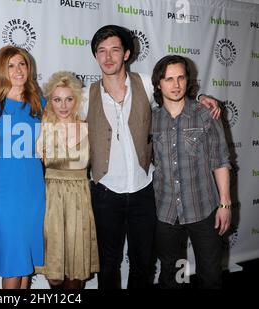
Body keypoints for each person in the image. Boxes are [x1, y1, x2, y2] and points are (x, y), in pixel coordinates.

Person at [81, 24, 220, 289]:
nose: (108, 57)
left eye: (115, 50)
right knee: (108, 263)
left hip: (144, 191)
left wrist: (201, 96)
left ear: (127, 54)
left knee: (142, 262)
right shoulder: (86, 95)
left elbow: (173, 91)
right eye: (101, 51)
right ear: (96, 56)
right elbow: (58, 109)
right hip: (105, 192)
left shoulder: (144, 84)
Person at [151, 55, 231, 289]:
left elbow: (221, 161)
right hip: (165, 212)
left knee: (211, 276)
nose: (175, 85)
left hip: (204, 209)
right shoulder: (151, 119)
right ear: (158, 83)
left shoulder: (206, 114)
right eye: (168, 79)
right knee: (173, 276)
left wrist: (225, 204)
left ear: (188, 80)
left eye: (180, 78)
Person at [0, 45, 46, 289]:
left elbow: (46, 146)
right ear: (1, 70)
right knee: (14, 258)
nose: (18, 70)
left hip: (34, 186)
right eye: (11, 65)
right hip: (4, 188)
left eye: (22, 64)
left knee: (26, 257)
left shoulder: (40, 102)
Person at [35, 71, 99, 289]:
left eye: (69, 99)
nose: (63, 105)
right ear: (50, 101)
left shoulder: (89, 127)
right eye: (57, 99)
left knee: (76, 274)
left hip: (80, 201)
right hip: (51, 201)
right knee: (54, 275)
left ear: (77, 99)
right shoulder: (41, 128)